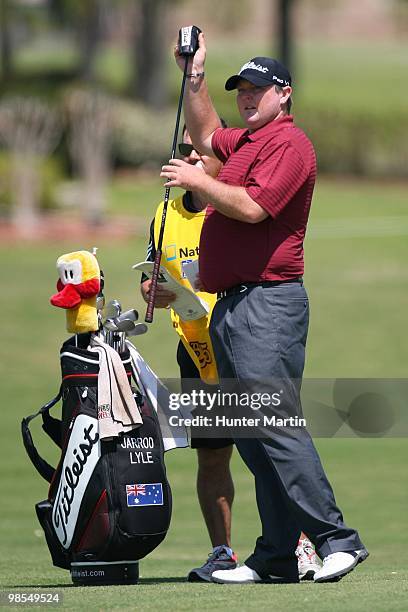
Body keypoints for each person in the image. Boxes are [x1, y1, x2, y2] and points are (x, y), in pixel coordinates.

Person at [160, 31, 369, 584]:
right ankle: (276, 554)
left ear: (285, 94)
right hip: (231, 307)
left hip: (269, 304)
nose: (248, 98)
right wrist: (195, 75)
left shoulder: (290, 145)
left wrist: (199, 179)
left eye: (258, 89)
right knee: (251, 436)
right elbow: (206, 133)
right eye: (242, 91)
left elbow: (253, 208)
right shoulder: (245, 143)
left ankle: (337, 539)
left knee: (274, 424)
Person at [140, 125, 238, 582]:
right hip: (196, 351)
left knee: (273, 450)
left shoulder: (235, 205)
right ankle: (223, 552)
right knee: (212, 457)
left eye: (200, 152)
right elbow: (152, 274)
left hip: (245, 346)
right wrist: (151, 290)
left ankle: (300, 541)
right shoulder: (165, 214)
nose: (192, 159)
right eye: (185, 151)